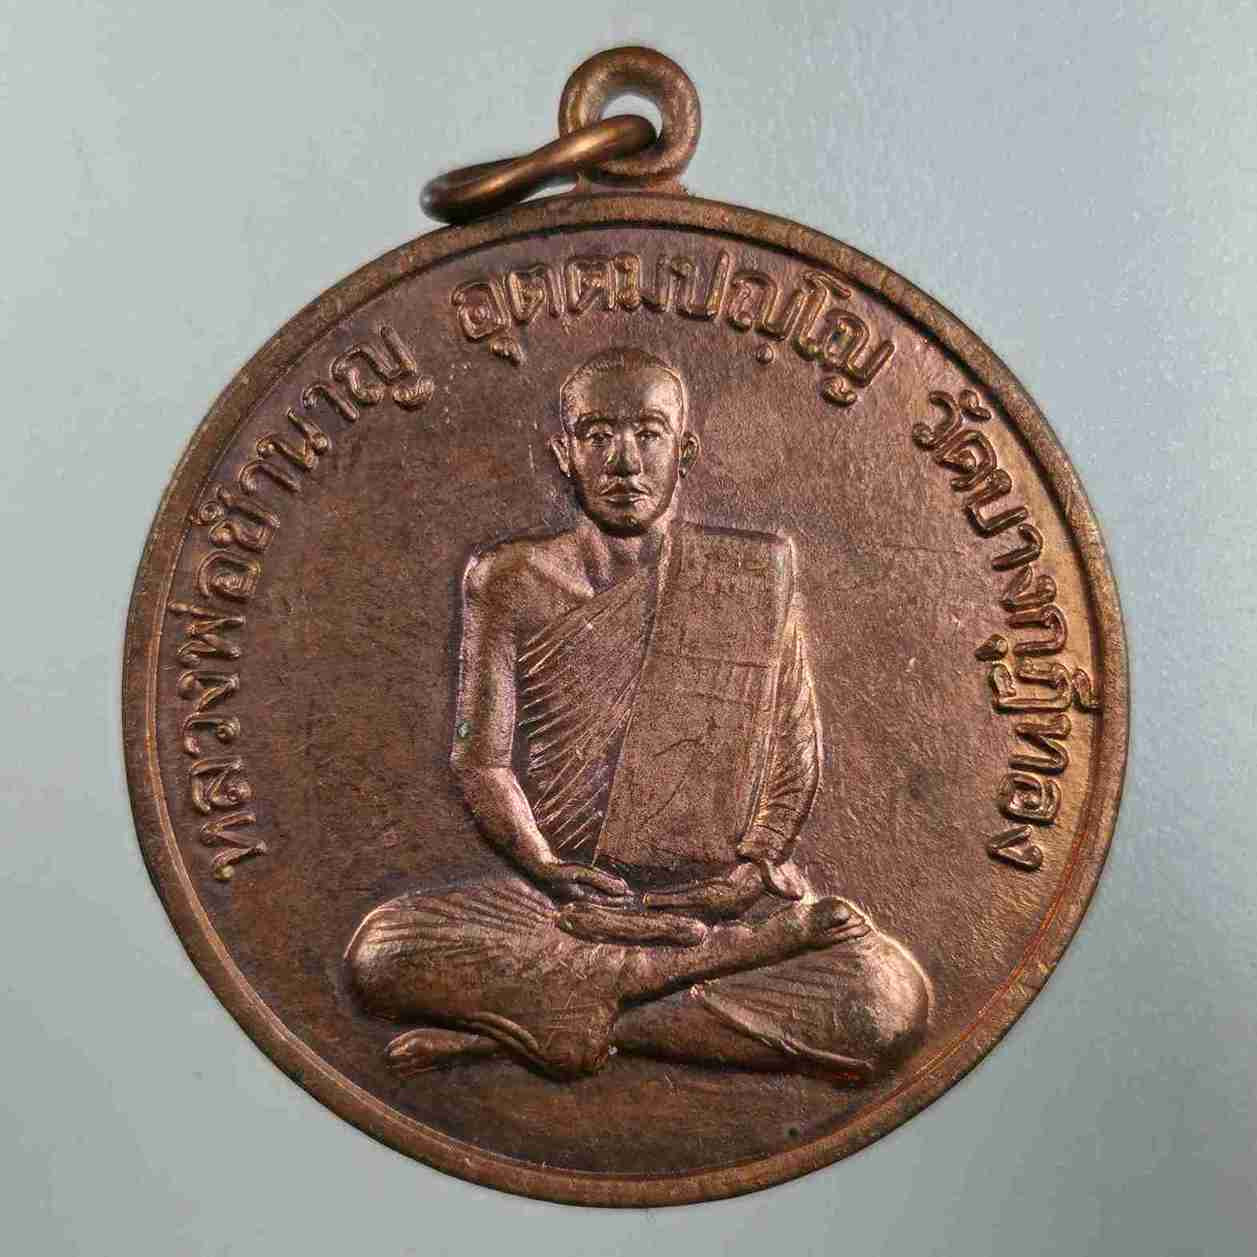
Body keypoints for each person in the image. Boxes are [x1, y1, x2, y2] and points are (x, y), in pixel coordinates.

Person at [346, 346, 929, 1083]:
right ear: (564, 454)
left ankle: (564, 1014)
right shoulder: (509, 578)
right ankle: (642, 989)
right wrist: (546, 866)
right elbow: (481, 758)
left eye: (648, 434)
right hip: (563, 909)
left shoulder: (750, 576)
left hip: (715, 905)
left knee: (884, 999)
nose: (624, 462)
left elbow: (794, 747)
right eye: (598, 436)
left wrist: (753, 866)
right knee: (384, 949)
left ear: (684, 452)